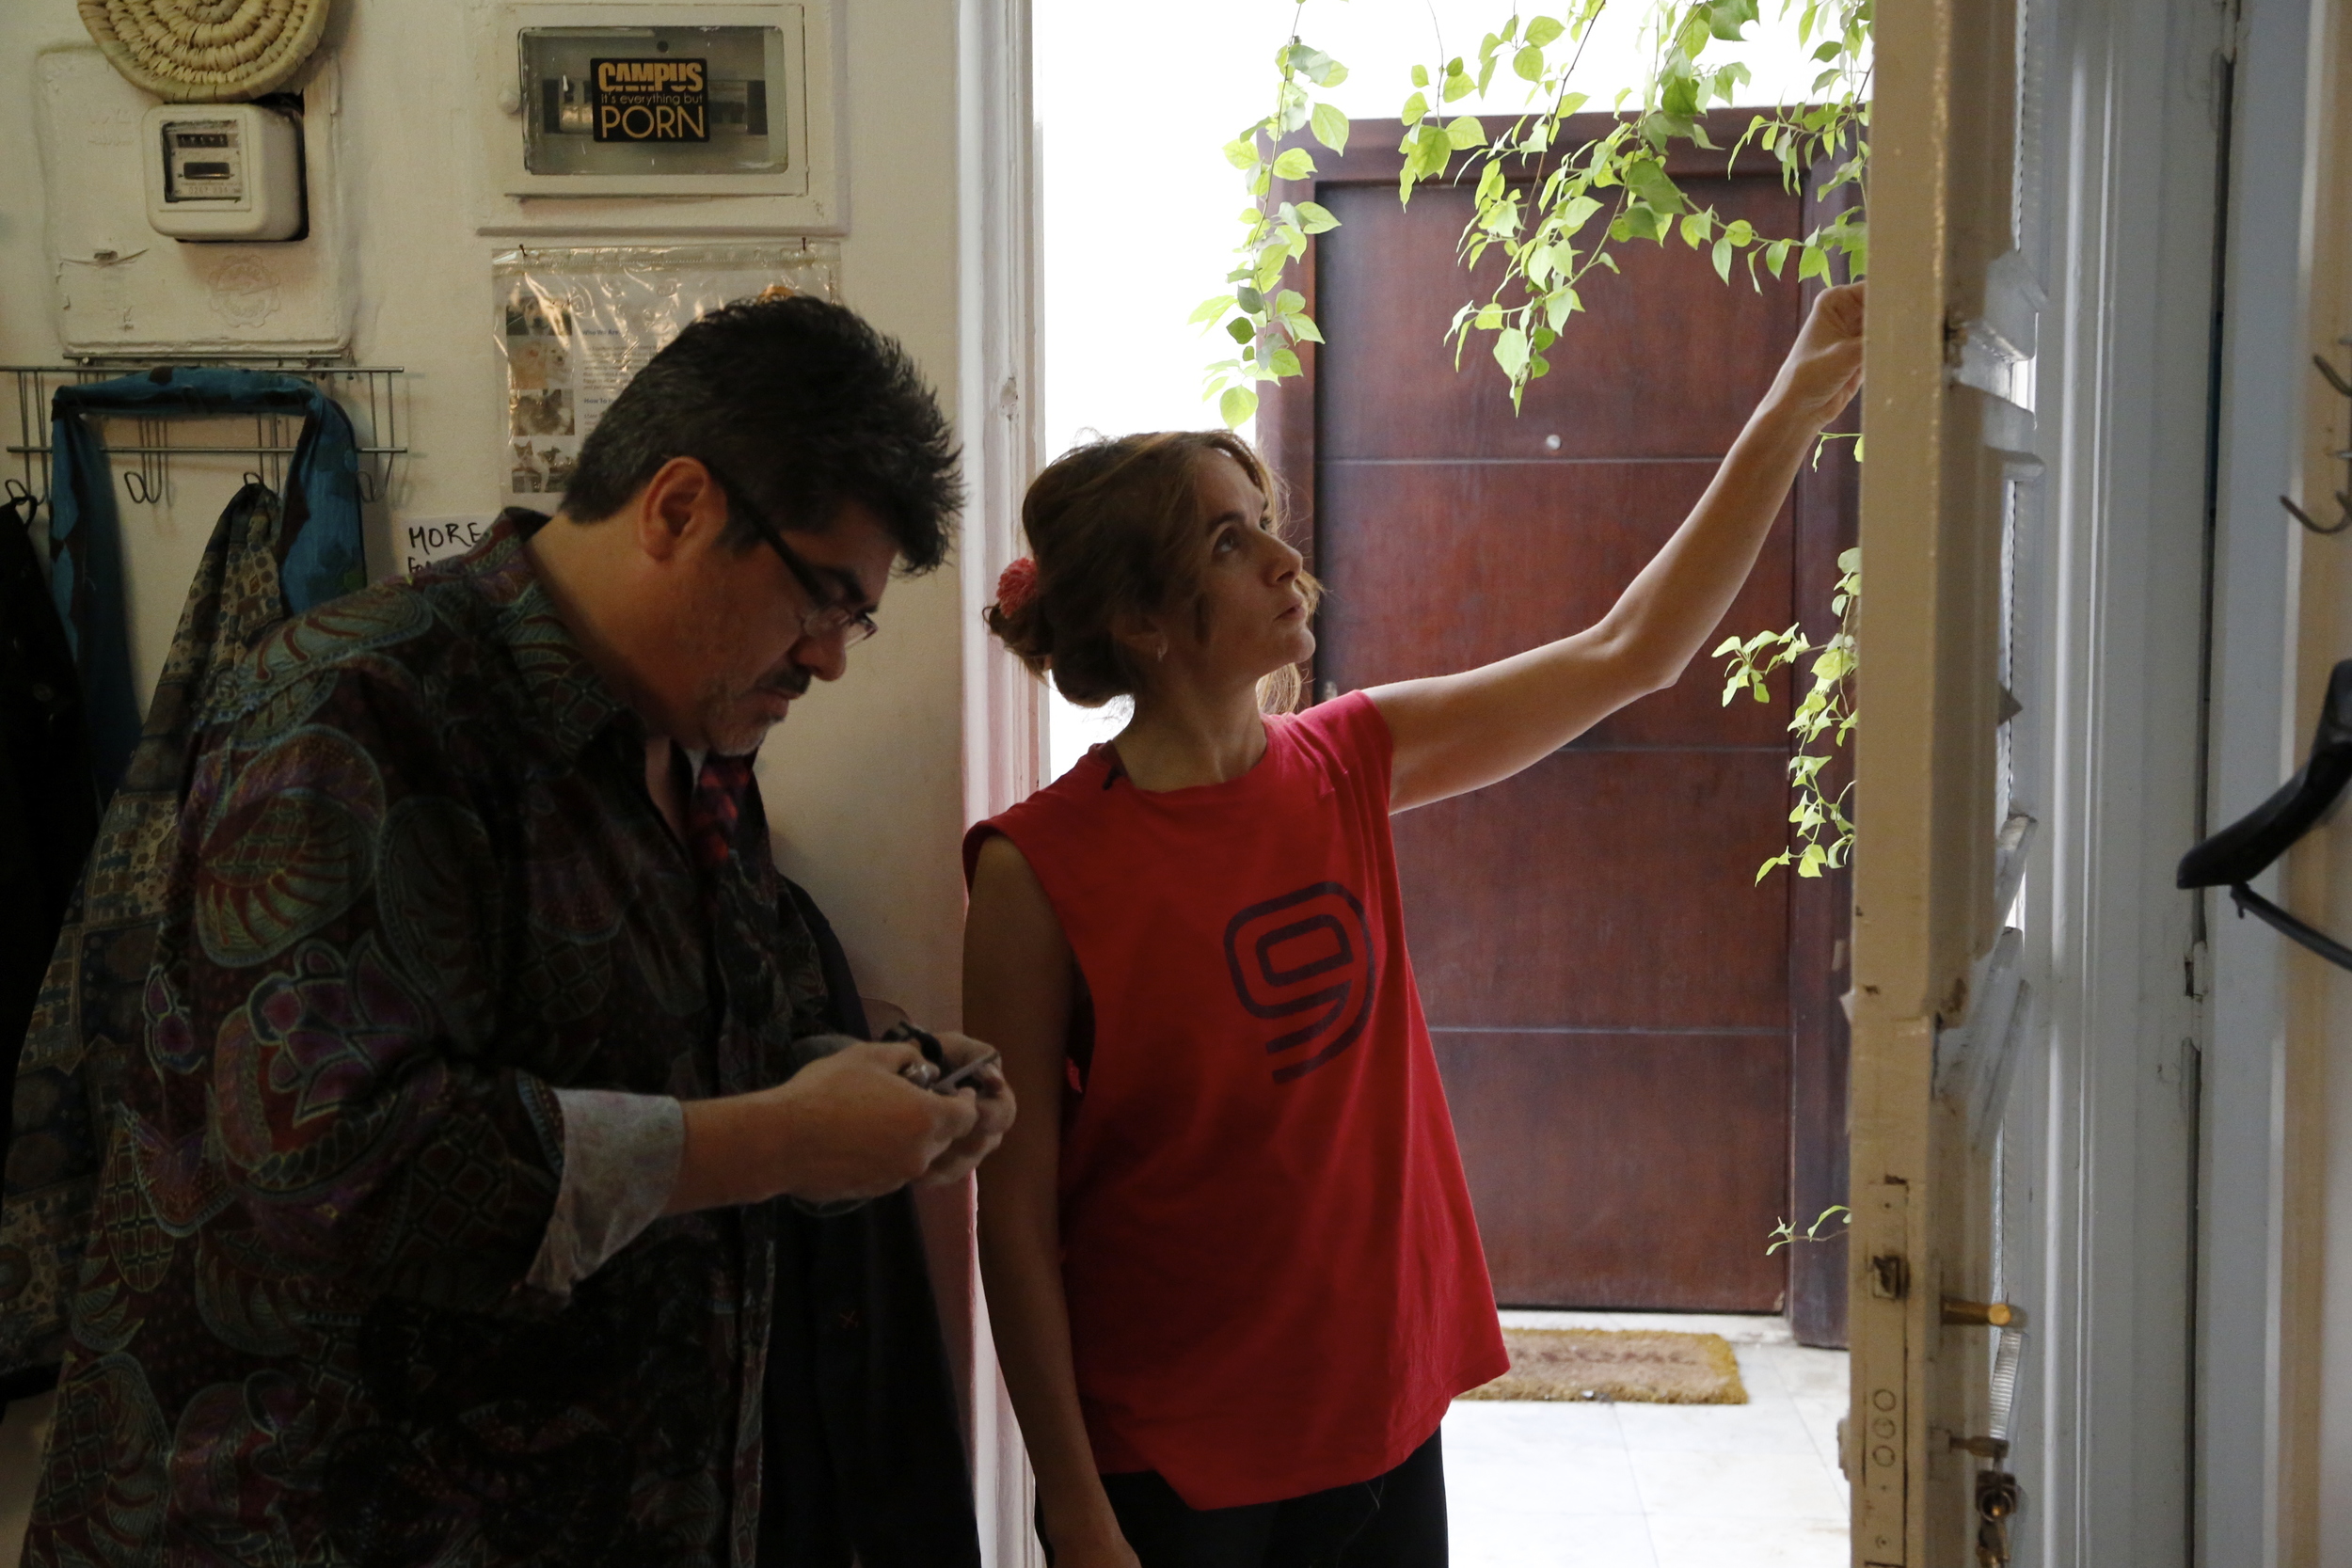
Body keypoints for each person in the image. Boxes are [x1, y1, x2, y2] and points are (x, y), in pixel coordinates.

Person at [23, 295, 1013, 1567]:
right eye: (822, 600)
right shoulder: (359, 701)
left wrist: (864, 1097)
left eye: (854, 619)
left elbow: (655, 1078)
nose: (830, 660)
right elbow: (332, 1165)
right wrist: (782, 1136)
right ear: (678, 509)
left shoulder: (695, 743)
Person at [963, 282, 1867, 1568]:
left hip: (1381, 1412)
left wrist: (1796, 401)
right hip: (1171, 1451)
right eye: (1226, 544)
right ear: (1143, 621)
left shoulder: (1348, 759)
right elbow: (1013, 1214)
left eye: (1263, 524)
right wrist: (1068, 1499)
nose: (1283, 560)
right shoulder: (1037, 870)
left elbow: (1631, 651)